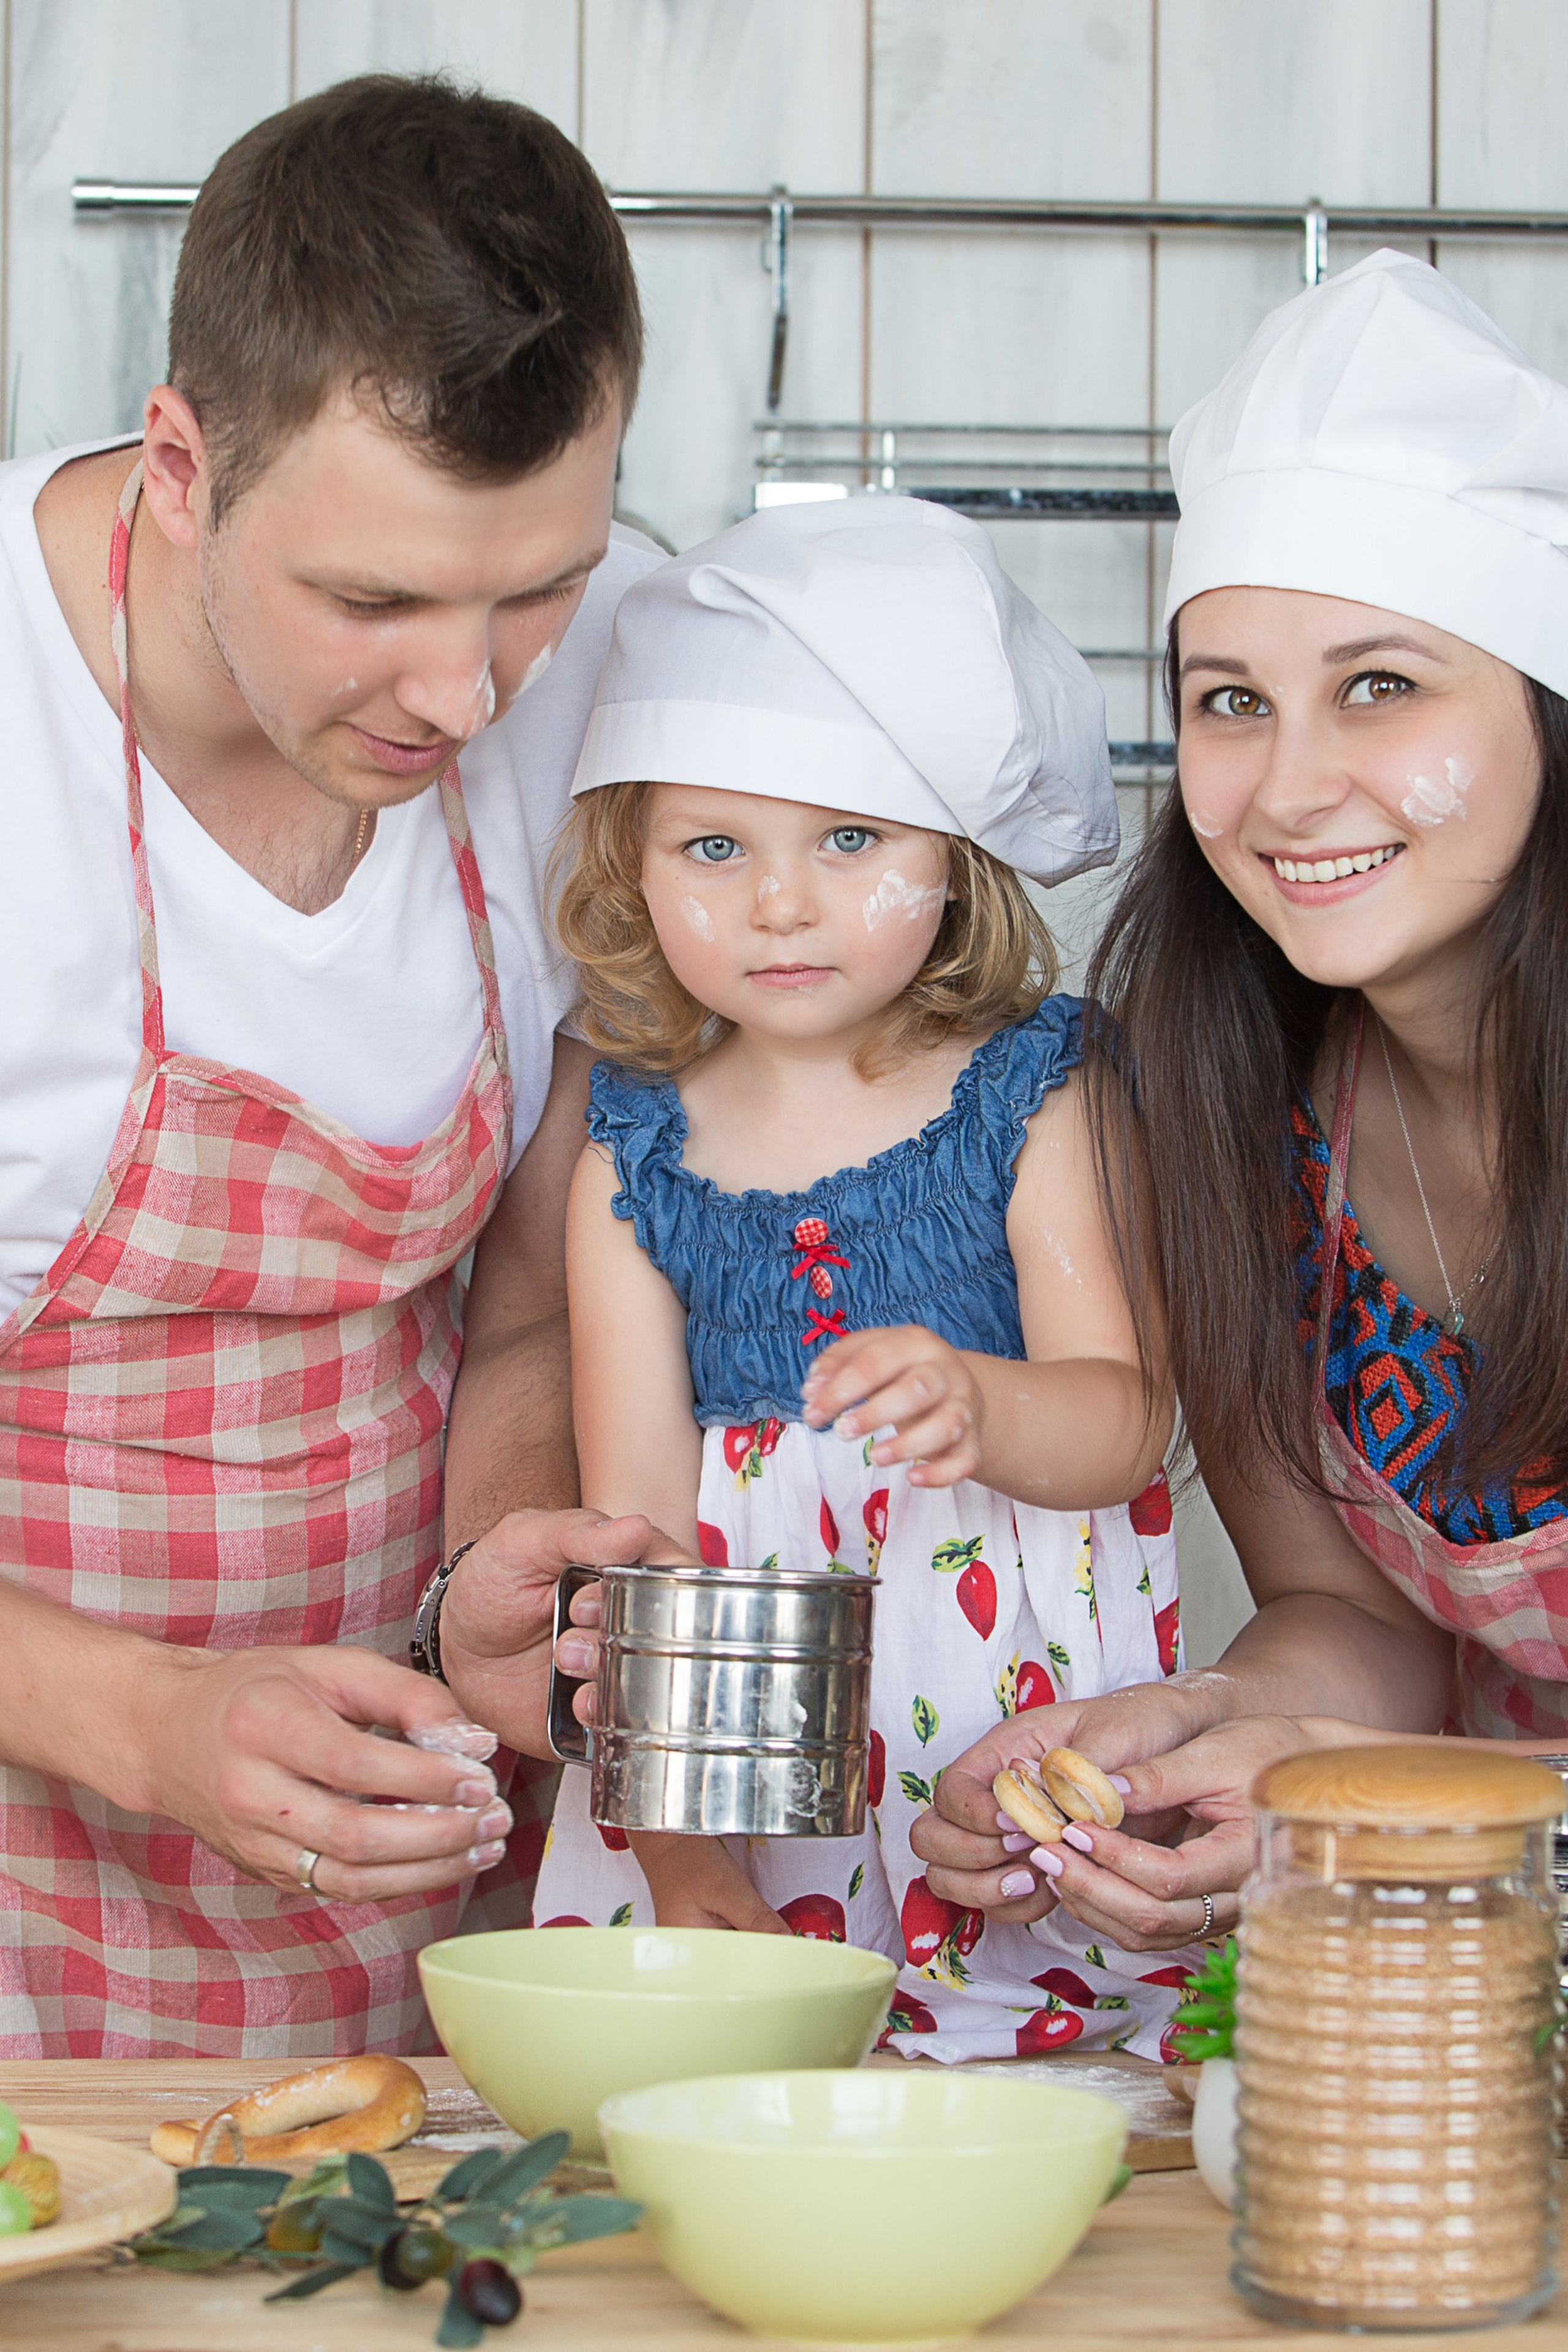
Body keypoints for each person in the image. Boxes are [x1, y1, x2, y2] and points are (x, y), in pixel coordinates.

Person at [0, 73, 671, 2058]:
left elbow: (532, 1284)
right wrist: (151, 1717)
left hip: (388, 1889)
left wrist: (483, 1582)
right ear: (183, 463)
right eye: (375, 601)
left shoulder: (610, 686)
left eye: (535, 585)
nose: (466, 695)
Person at [907, 250, 1568, 1956]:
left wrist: (1362, 1778)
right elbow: (1353, 1617)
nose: (1286, 788)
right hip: (1491, 1977)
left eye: (1381, 685)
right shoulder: (1239, 1114)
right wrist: (1209, 1735)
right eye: (1230, 703)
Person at [530, 497, 1196, 2059]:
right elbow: (637, 1541)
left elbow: (1125, 1422)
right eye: (713, 846)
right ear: (631, 868)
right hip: (733, 1758)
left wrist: (981, 1402)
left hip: (1001, 1729)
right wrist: (686, 1856)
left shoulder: (1040, 1097)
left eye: (849, 840)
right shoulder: (629, 1157)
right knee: (727, 2098)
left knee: (1040, 2110)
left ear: (955, 862)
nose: (780, 900)